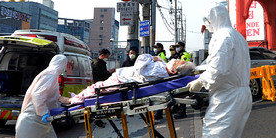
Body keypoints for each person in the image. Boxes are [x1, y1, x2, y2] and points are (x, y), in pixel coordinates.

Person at [187, 3, 264, 138]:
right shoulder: (236, 36)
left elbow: (218, 69)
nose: (207, 24)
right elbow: (220, 64)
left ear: (213, 17)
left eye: (207, 20)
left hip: (227, 96)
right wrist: (199, 71)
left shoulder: (221, 37)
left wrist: (200, 82)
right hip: (240, 94)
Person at [65, 55, 195, 104]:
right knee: (98, 87)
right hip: (123, 77)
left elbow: (140, 67)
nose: (175, 60)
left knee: (97, 88)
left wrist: (152, 58)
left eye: (177, 62)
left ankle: (74, 100)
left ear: (173, 71)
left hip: (122, 78)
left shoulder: (161, 70)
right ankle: (76, 97)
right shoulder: (163, 70)